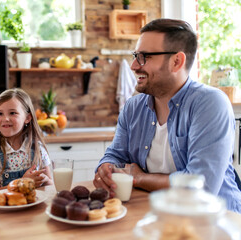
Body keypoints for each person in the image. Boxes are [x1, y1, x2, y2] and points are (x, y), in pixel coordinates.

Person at [94, 18, 241, 213]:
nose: (134, 66)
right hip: (158, 215)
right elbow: (115, 156)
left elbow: (202, 187)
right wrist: (106, 168)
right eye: (135, 55)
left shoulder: (210, 103)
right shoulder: (133, 107)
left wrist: (139, 178)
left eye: (144, 56)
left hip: (215, 221)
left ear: (176, 61)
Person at [0, 88, 53, 188]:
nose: (5, 119)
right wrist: (21, 183)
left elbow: (51, 187)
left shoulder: (38, 149)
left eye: (12, 113)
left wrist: (46, 181)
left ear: (27, 118)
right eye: (0, 113)